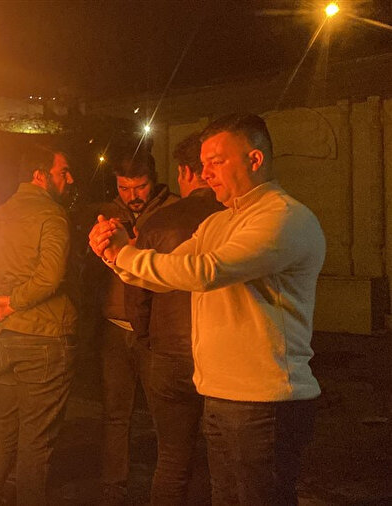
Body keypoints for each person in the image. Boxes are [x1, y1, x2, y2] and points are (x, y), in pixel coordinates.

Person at [89, 113, 325, 505]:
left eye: (216, 161)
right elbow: (165, 275)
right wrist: (114, 254)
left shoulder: (283, 217)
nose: (206, 173)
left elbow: (205, 271)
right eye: (203, 164)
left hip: (264, 401)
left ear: (254, 159)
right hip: (219, 393)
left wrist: (125, 254)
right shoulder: (219, 222)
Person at [0, 144, 78, 505]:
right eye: (63, 172)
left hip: (2, 341)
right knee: (36, 438)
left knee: (3, 426)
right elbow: (50, 277)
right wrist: (9, 303)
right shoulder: (52, 216)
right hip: (44, 340)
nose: (70, 179)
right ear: (40, 175)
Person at [124, 134, 223, 505]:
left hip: (168, 356)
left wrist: (146, 339)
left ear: (185, 172)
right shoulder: (234, 220)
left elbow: (138, 295)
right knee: (222, 461)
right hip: (220, 355)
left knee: (172, 457)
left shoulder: (159, 222)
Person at [96, 152, 177, 504]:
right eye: (124, 188)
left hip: (157, 329)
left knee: (165, 414)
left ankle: (170, 482)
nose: (132, 196)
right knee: (116, 413)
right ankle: (114, 487)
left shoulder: (173, 211)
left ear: (153, 179)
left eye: (140, 187)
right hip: (115, 328)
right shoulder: (106, 214)